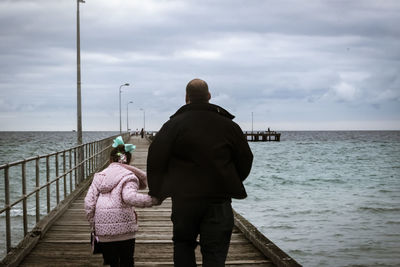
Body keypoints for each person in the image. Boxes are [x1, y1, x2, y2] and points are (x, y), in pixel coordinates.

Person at [147, 78, 253, 267]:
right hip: (218, 200)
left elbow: (155, 158)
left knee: (183, 246)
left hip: (184, 200)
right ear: (209, 96)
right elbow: (246, 159)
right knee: (215, 252)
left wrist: (158, 192)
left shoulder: (173, 125)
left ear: (186, 97)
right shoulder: (229, 126)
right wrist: (231, 179)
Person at [85, 136, 158, 267]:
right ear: (128, 161)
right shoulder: (129, 177)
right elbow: (129, 197)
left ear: (111, 159)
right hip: (125, 231)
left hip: (104, 231)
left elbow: (89, 203)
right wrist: (153, 200)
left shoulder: (99, 177)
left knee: (113, 263)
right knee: (127, 261)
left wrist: (94, 224)